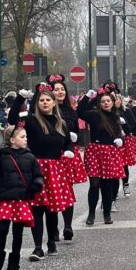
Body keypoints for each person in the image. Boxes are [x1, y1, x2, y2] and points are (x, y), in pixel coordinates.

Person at [7, 85, 75, 261]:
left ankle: (51, 241)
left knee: (52, 210)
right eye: (41, 100)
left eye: (48, 100)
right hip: (36, 166)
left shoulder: (61, 123)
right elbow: (12, 119)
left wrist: (69, 150)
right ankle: (37, 247)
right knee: (37, 208)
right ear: (37, 103)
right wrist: (20, 99)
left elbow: (68, 142)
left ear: (54, 103)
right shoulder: (30, 120)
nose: (45, 103)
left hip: (55, 168)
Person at [0, 126, 43, 270]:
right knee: (2, 230)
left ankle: (14, 263)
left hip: (22, 198)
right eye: (22, 137)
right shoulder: (2, 156)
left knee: (18, 231)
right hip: (6, 198)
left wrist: (36, 186)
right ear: (12, 140)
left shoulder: (30, 157)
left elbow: (37, 174)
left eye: (26, 136)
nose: (26, 139)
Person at [77, 86, 126, 226]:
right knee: (94, 183)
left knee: (107, 185)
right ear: (99, 103)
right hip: (94, 151)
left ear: (112, 102)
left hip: (110, 152)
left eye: (108, 101)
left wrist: (120, 140)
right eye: (103, 101)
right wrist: (87, 97)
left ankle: (107, 213)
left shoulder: (116, 117)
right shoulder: (94, 115)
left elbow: (123, 132)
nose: (106, 103)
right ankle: (91, 213)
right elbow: (79, 112)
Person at [49, 74, 86, 241]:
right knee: (52, 191)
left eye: (62, 89)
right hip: (52, 153)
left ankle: (68, 226)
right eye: (56, 89)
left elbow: (77, 133)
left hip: (68, 153)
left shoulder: (70, 110)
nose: (60, 92)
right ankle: (53, 229)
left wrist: (74, 137)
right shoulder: (47, 108)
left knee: (67, 190)